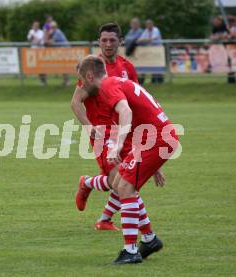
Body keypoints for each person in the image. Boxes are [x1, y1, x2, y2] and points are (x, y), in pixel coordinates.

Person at [74, 55, 179, 264]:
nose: (81, 85)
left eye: (82, 80)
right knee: (120, 183)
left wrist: (120, 144)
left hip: (155, 139)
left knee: (124, 188)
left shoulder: (106, 86)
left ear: (89, 75)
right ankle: (148, 239)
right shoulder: (117, 82)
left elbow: (126, 111)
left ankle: (131, 251)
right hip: (154, 138)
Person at [74, 23, 142, 232]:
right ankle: (146, 235)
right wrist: (88, 126)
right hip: (102, 134)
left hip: (123, 130)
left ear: (120, 41)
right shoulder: (92, 68)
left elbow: (135, 101)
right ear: (98, 42)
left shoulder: (127, 67)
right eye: (104, 40)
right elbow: (76, 101)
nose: (108, 44)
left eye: (112, 40)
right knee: (118, 182)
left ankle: (104, 219)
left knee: (129, 181)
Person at [136, 19, 164, 83]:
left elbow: (152, 39)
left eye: (149, 24)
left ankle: (159, 80)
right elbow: (140, 39)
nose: (148, 26)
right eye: (147, 25)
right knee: (151, 65)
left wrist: (143, 40)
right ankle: (153, 80)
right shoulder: (146, 31)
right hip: (150, 51)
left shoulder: (156, 30)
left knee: (158, 66)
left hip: (158, 51)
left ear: (152, 24)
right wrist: (143, 40)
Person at [45, 21, 70, 86]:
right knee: (63, 65)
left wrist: (46, 40)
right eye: (51, 27)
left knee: (65, 66)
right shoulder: (55, 32)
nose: (51, 28)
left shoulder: (57, 32)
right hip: (62, 50)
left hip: (65, 50)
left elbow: (51, 42)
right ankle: (65, 81)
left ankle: (67, 81)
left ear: (55, 27)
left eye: (53, 27)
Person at [27, 20, 47, 85]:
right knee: (37, 68)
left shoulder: (41, 32)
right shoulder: (31, 31)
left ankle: (44, 80)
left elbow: (39, 41)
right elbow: (29, 40)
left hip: (41, 52)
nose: (35, 26)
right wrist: (33, 38)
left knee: (42, 67)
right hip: (33, 53)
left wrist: (34, 39)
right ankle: (42, 81)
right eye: (34, 25)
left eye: (37, 25)